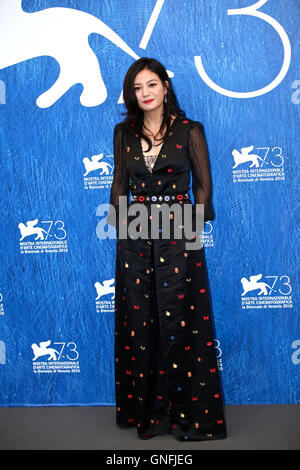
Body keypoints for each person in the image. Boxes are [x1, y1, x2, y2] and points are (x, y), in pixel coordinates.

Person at [107, 57, 227, 441]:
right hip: (135, 232)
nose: (145, 94)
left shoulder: (190, 130)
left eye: (151, 85)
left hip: (180, 232)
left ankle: (191, 416)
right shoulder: (123, 132)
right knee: (141, 323)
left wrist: (188, 226)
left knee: (183, 322)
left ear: (165, 87)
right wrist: (122, 229)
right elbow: (119, 183)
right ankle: (149, 413)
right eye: (137, 88)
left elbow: (204, 188)